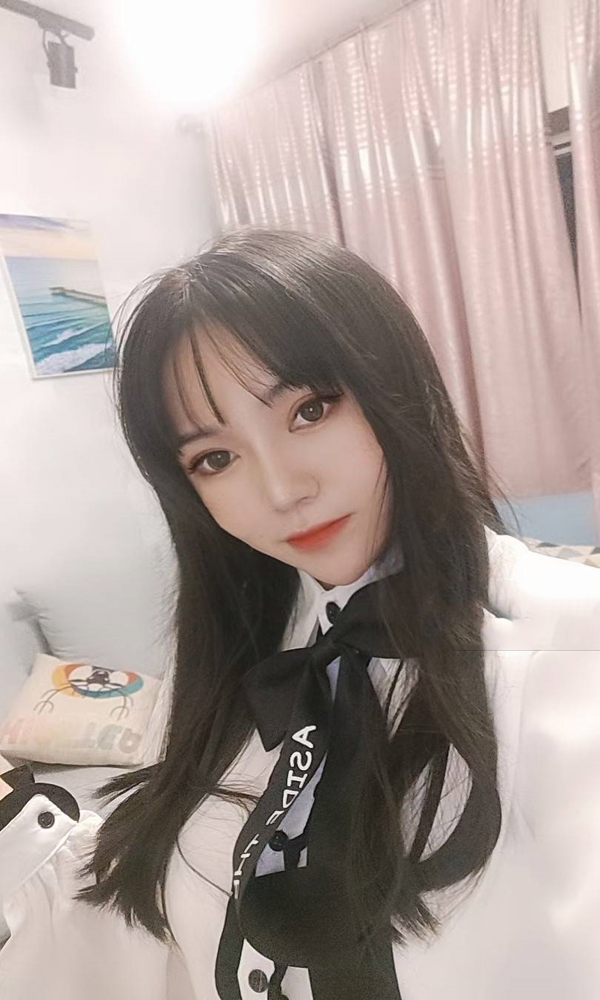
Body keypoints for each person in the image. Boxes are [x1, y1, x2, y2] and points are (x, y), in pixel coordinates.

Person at [1, 229, 599, 1000]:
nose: (283, 491)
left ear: (394, 383)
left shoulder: (574, 648)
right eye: (216, 458)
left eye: (310, 410)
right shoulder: (244, 665)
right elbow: (163, 915)